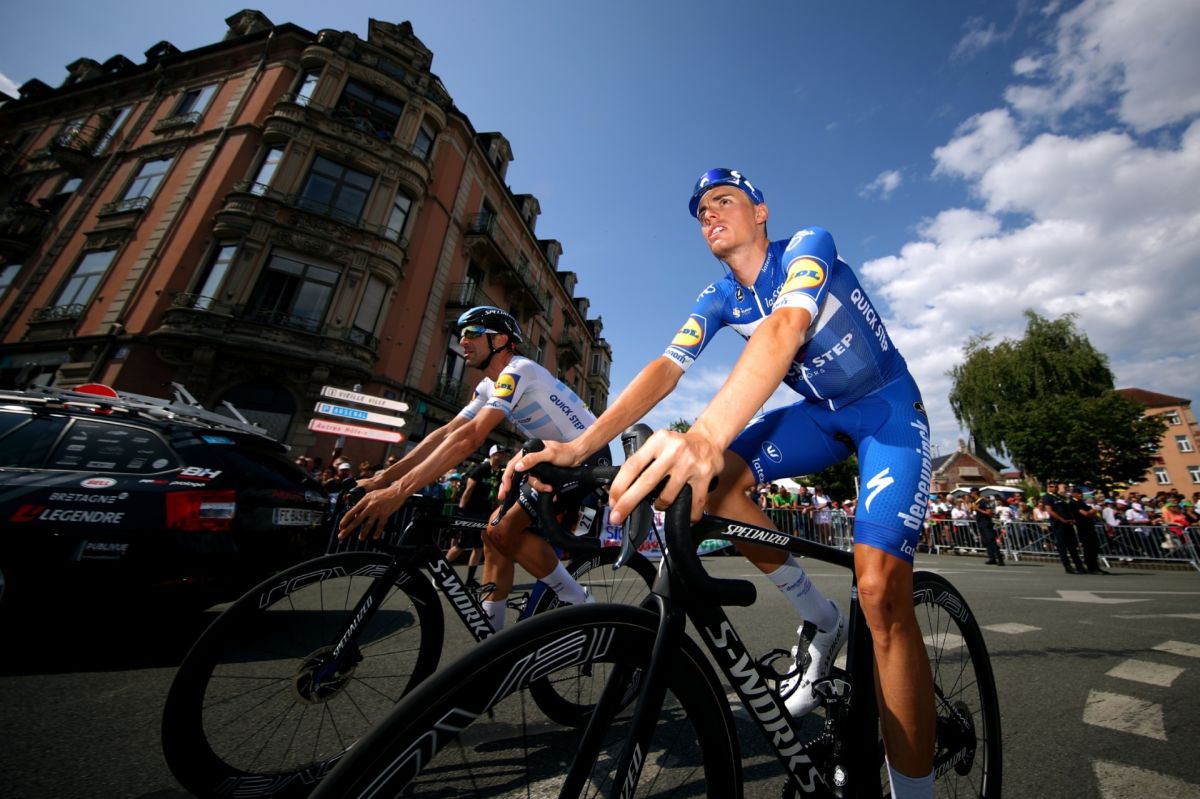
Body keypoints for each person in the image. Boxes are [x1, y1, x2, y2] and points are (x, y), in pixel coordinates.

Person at [516, 168, 935, 795]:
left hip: (886, 408)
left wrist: (706, 436)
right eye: (700, 211)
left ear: (760, 211)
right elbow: (665, 368)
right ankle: (820, 618)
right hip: (819, 415)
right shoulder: (718, 297)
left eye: (723, 200)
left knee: (879, 593)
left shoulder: (806, 246)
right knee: (712, 490)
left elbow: (785, 327)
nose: (708, 214)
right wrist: (580, 446)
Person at [338, 306, 609, 631]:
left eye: (472, 333)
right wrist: (381, 479)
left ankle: (580, 603)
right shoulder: (487, 386)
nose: (462, 341)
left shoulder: (519, 370)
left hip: (587, 456)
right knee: (491, 536)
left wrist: (398, 492)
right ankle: (492, 635)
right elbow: (447, 433)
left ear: (500, 340)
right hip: (551, 457)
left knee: (501, 530)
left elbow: (471, 438)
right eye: (460, 334)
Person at [446, 444, 510, 588]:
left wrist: (498, 511)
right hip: (470, 512)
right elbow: (468, 491)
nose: (503, 456)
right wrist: (461, 511)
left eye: (504, 453)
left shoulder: (499, 473)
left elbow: (497, 495)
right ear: (493, 454)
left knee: (478, 546)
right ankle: (440, 573)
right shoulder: (481, 469)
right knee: (461, 545)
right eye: (501, 453)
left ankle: (470, 580)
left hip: (484, 513)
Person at [1043, 481, 1085, 574]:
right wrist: (1062, 520)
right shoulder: (1047, 497)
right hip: (1059, 524)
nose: (1054, 488)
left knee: (1072, 546)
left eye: (1056, 486)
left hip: (1068, 523)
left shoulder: (1061, 497)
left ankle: (1079, 566)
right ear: (1049, 487)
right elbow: (1050, 511)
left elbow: (1068, 508)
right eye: (1052, 486)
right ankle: (1067, 566)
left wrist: (1072, 519)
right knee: (1062, 546)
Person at [1068, 486, 1106, 574]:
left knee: (1094, 547)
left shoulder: (1081, 502)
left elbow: (1091, 513)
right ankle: (1091, 567)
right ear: (1073, 494)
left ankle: (1095, 566)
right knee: (1088, 547)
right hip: (1082, 527)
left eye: (1081, 493)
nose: (1080, 495)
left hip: (1089, 526)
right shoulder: (1073, 503)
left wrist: (1092, 511)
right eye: (1078, 493)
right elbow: (1086, 513)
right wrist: (1094, 510)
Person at [970, 488, 1003, 566]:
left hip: (986, 523)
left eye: (971, 493)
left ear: (975, 493)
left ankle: (999, 557)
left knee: (991, 540)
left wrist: (978, 509)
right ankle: (991, 558)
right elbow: (972, 510)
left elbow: (989, 513)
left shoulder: (983, 501)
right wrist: (972, 508)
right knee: (986, 541)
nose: (971, 495)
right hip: (980, 523)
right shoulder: (975, 502)